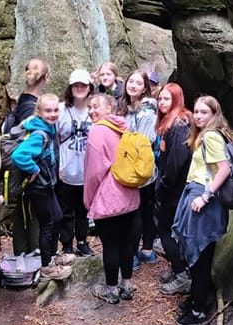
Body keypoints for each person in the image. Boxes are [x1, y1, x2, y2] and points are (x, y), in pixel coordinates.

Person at [172, 95, 233, 325]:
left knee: (200, 256)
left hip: (204, 199)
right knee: (199, 254)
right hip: (197, 194)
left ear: (214, 114)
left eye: (204, 113)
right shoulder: (205, 135)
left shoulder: (210, 136)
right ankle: (198, 298)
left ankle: (198, 310)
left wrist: (205, 196)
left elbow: (224, 169)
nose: (198, 116)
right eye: (196, 112)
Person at [84, 93, 140, 304]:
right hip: (130, 195)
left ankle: (112, 290)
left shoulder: (98, 131)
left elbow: (94, 173)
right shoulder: (123, 127)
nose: (91, 110)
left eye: (96, 106)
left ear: (109, 108)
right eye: (89, 107)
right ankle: (127, 284)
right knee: (126, 243)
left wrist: (88, 201)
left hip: (109, 199)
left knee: (111, 245)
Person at [10, 93, 72, 281]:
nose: (52, 114)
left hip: (47, 185)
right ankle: (47, 267)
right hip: (38, 187)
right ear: (39, 111)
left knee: (58, 217)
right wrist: (34, 169)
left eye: (55, 111)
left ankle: (52, 257)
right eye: (48, 111)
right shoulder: (39, 134)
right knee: (48, 224)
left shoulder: (47, 128)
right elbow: (19, 156)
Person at [7, 57, 50, 254]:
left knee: (23, 212)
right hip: (27, 169)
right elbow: (26, 143)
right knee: (30, 214)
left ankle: (23, 257)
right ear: (46, 77)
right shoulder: (30, 106)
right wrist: (33, 169)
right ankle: (33, 257)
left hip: (22, 167)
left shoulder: (22, 100)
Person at [154, 83, 193, 296]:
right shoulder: (172, 123)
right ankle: (178, 267)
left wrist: (164, 185)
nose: (161, 103)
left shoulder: (178, 125)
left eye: (167, 99)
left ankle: (182, 276)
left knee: (166, 231)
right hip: (174, 189)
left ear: (177, 100)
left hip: (174, 191)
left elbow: (177, 160)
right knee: (170, 232)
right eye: (160, 99)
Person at [117, 70, 158, 265]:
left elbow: (146, 140)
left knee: (141, 211)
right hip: (127, 167)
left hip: (142, 170)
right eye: (130, 81)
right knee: (133, 212)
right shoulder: (124, 107)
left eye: (138, 83)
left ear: (144, 89)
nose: (133, 85)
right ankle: (136, 250)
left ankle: (141, 251)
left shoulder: (147, 111)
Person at [56, 69, 94, 258]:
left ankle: (82, 241)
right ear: (70, 88)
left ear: (89, 88)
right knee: (65, 211)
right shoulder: (62, 110)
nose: (79, 88)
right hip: (66, 171)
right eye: (76, 85)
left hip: (86, 173)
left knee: (83, 211)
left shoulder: (93, 111)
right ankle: (66, 244)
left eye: (83, 85)